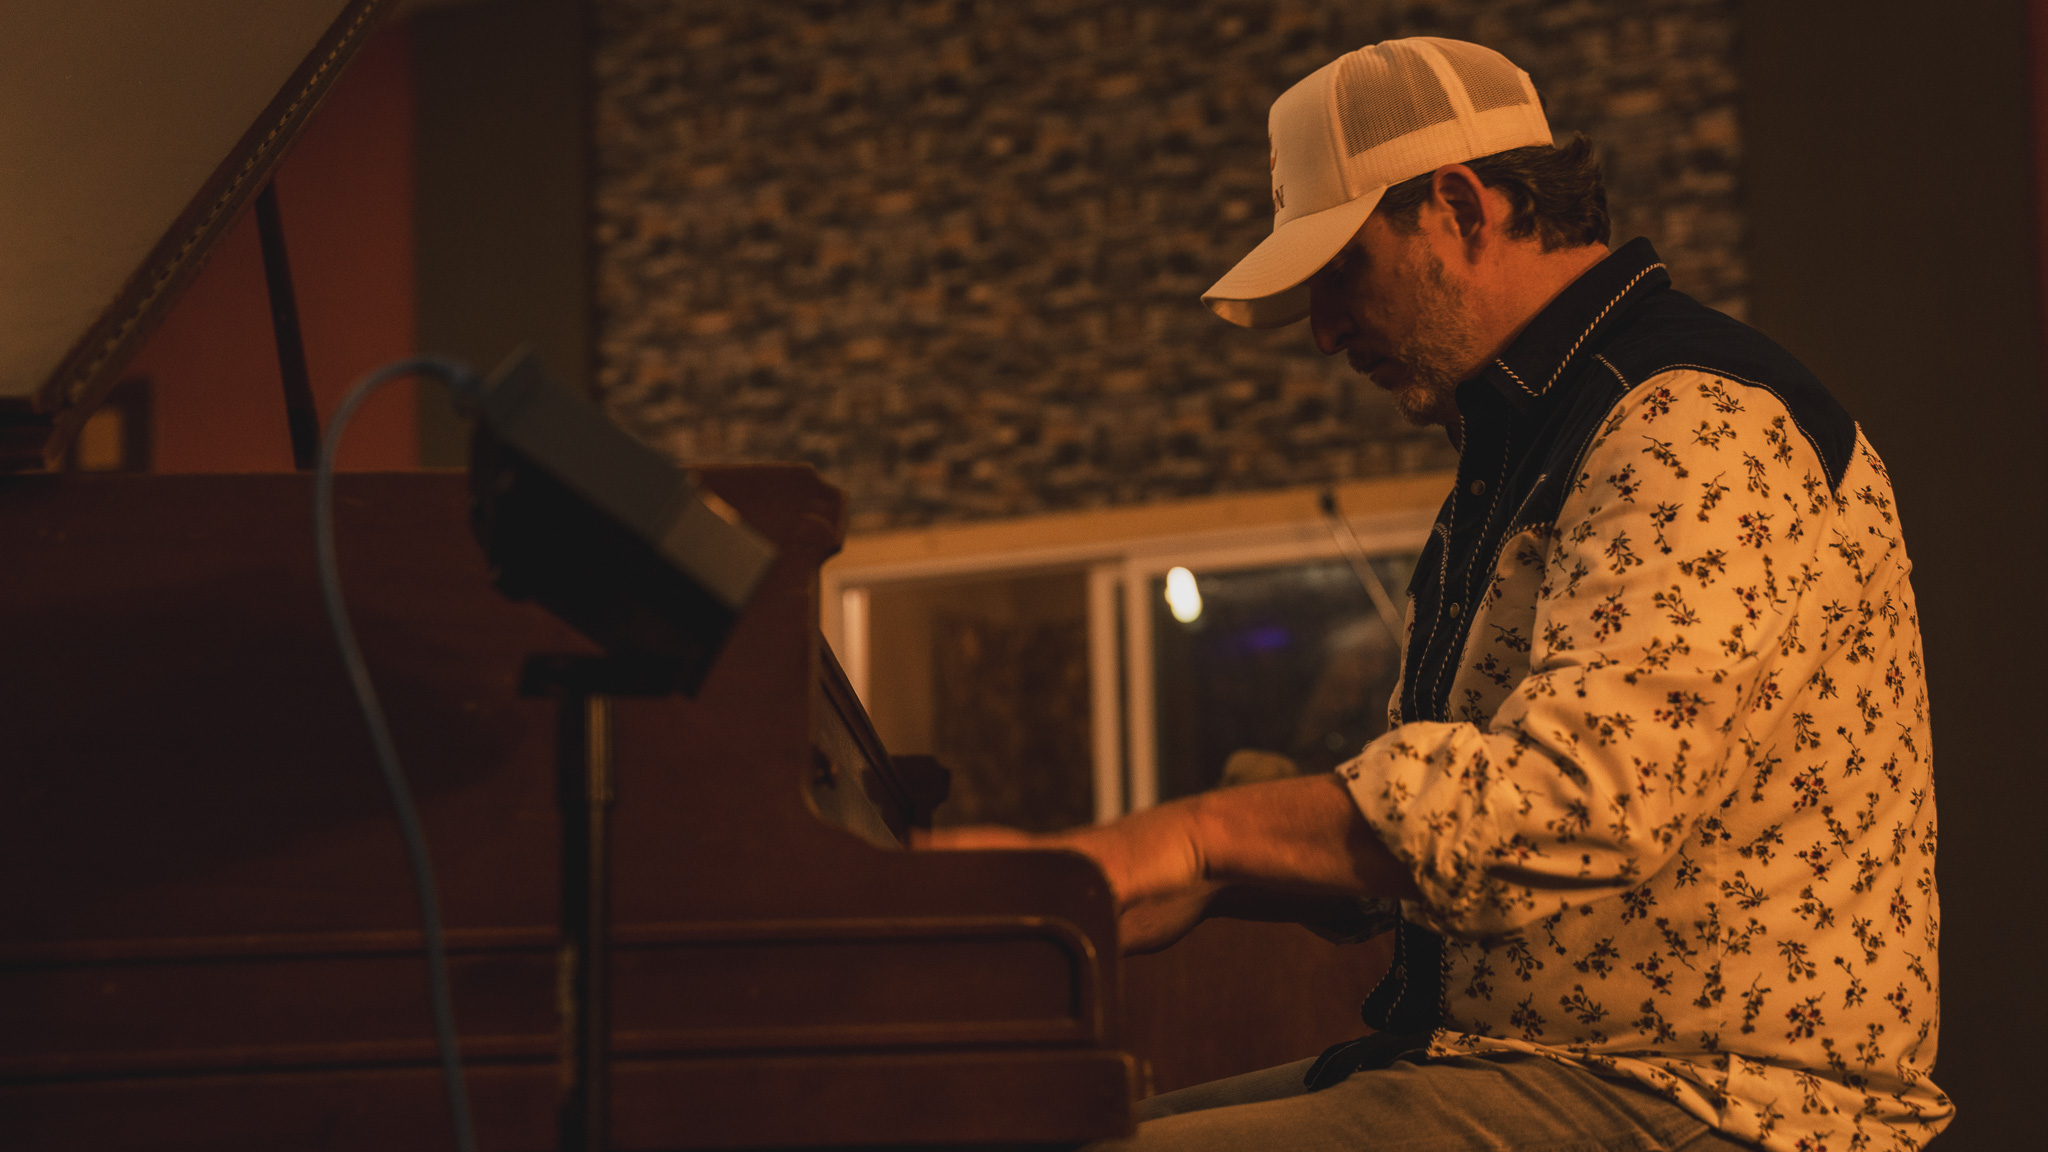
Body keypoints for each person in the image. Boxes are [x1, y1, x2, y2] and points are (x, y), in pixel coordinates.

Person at [928, 36, 1949, 1152]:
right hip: (1532, 1062)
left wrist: (1202, 837)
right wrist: (1108, 885)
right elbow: (1469, 836)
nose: (1322, 332)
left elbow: (1580, 797)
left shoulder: (1689, 417)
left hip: (1713, 1099)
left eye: (1339, 272)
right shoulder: (1531, 437)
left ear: (1460, 208)